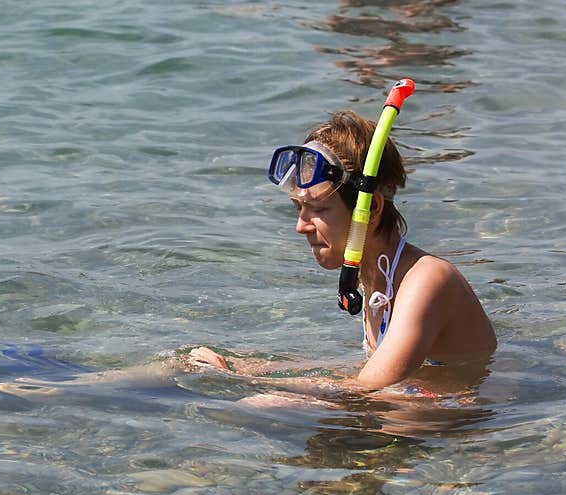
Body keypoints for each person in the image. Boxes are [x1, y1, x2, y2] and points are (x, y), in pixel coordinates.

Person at [188, 109, 496, 395]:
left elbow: (365, 389)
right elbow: (371, 375)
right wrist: (246, 366)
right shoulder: (374, 275)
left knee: (264, 405)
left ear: (371, 208)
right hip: (406, 405)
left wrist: (239, 381)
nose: (301, 226)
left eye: (318, 209)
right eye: (299, 208)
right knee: (185, 369)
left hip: (457, 423)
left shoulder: (427, 280)